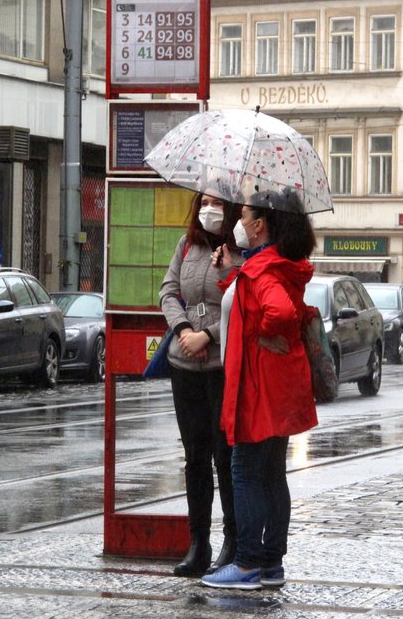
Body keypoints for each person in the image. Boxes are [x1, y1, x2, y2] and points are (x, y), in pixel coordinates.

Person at [201, 199, 319, 591]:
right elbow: (260, 302)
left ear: (259, 226)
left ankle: (248, 563)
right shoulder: (272, 264)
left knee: (245, 471)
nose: (238, 221)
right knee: (271, 474)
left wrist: (261, 335)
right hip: (278, 386)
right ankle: (271, 563)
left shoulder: (263, 270)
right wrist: (232, 272)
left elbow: (280, 312)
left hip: (259, 387)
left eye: (244, 216)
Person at [159, 192, 243, 577]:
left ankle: (233, 541)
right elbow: (167, 291)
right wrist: (183, 330)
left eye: (218, 203)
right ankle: (198, 544)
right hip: (184, 362)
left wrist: (208, 335)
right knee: (195, 457)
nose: (210, 208)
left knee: (224, 457)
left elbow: (241, 299)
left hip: (221, 365)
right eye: (205, 201)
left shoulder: (237, 250)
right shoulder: (188, 243)